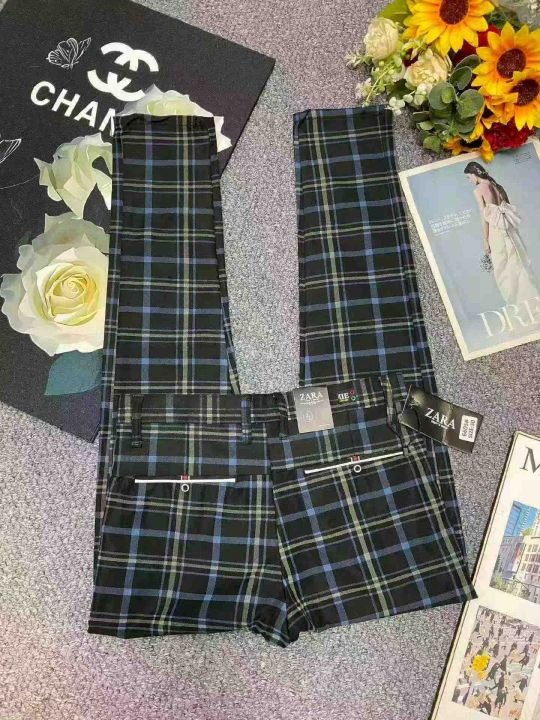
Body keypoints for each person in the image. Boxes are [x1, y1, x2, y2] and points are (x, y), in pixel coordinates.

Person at [464, 161, 539, 306]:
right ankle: (531, 299)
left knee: (502, 266)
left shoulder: (478, 189)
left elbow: (483, 217)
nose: (469, 181)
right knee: (518, 261)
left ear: (474, 174)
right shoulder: (497, 185)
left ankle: (519, 303)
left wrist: (485, 240)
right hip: (509, 228)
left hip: (495, 230)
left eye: (468, 177)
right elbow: (507, 206)